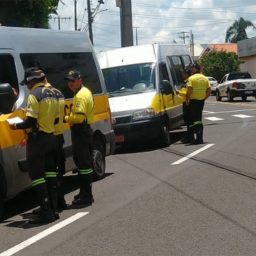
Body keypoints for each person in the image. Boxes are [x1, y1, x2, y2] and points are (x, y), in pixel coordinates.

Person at [9, 67, 59, 224]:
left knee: (37, 177)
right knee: (50, 174)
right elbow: (56, 119)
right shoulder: (52, 93)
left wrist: (16, 126)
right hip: (51, 137)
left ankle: (46, 213)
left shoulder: (34, 96)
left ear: (31, 81)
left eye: (27, 83)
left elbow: (30, 121)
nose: (27, 86)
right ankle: (54, 209)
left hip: (38, 140)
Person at [64, 70, 95, 206]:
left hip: (81, 131)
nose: (70, 83)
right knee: (82, 163)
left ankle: (86, 196)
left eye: (73, 80)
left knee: (83, 164)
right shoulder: (84, 91)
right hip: (84, 131)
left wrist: (66, 118)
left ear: (80, 80)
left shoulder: (81, 96)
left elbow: (78, 117)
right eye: (69, 80)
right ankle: (84, 193)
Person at [45, 81, 67, 211]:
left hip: (50, 135)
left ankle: (55, 204)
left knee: (50, 172)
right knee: (58, 171)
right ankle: (61, 201)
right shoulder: (58, 92)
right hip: (59, 135)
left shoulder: (45, 95)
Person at [186, 63, 211, 144]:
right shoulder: (205, 78)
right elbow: (209, 90)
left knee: (193, 120)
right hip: (201, 101)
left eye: (192, 68)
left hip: (193, 101)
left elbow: (189, 90)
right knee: (198, 119)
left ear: (195, 69)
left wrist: (187, 99)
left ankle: (194, 138)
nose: (191, 69)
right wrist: (204, 98)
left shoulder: (191, 78)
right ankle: (199, 138)